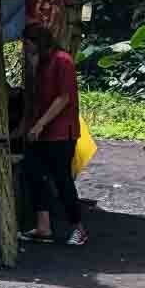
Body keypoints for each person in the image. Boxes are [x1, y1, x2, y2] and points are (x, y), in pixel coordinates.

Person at [19, 24, 86, 246]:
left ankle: (78, 228)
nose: (24, 47)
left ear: (38, 42)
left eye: (27, 43)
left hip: (60, 133)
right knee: (33, 174)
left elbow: (63, 98)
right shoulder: (40, 63)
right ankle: (43, 226)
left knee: (62, 180)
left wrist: (40, 125)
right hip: (41, 131)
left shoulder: (62, 60)